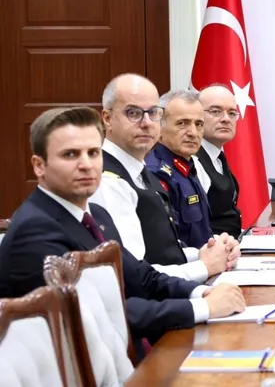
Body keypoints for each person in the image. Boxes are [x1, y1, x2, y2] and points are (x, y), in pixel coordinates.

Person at [0, 107, 246, 352]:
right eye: (70, 155)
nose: (86, 165)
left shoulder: (96, 215)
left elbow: (141, 277)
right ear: (39, 166)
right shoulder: (35, 230)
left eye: (93, 153)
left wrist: (203, 292)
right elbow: (98, 316)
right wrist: (203, 308)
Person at [88, 74, 238, 283]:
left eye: (153, 113)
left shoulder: (140, 171)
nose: (146, 123)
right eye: (133, 113)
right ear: (107, 118)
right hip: (156, 295)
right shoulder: (107, 180)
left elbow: (163, 250)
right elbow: (132, 275)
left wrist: (207, 253)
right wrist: (204, 267)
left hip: (173, 284)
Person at [146, 89, 214, 249]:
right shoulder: (156, 173)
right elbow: (168, 246)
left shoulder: (187, 167)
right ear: (159, 128)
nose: (193, 133)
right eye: (182, 123)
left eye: (199, 124)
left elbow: (202, 233)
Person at [195, 84, 243, 238]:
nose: (226, 119)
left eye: (232, 113)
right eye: (216, 111)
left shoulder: (218, 155)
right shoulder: (192, 159)